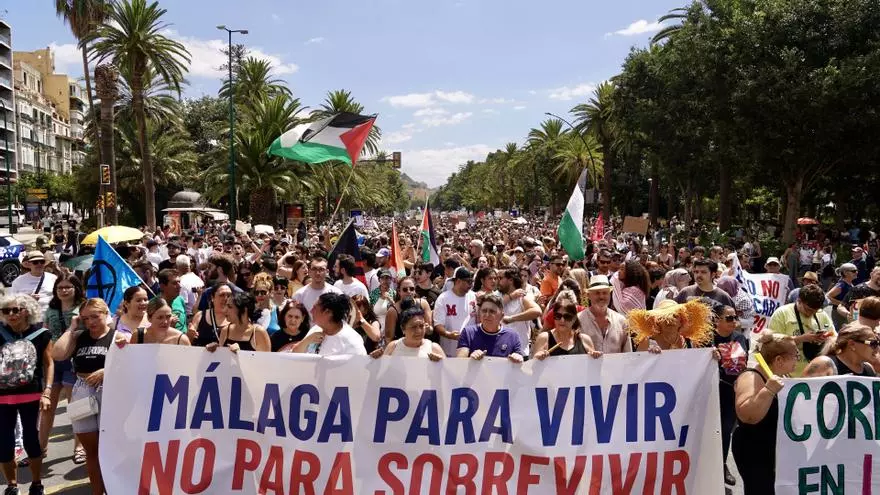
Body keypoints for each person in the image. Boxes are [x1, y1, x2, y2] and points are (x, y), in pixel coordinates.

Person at [52, 298, 115, 495]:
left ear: (106, 314)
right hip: (82, 390)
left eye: (95, 316)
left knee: (109, 449)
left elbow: (129, 363)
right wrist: (72, 327)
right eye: (85, 318)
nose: (91, 322)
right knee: (91, 451)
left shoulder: (117, 336)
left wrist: (106, 371)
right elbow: (57, 354)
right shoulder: (79, 336)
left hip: (110, 391)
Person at [732, 332, 798, 494]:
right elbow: (746, 415)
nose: (797, 359)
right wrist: (768, 390)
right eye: (795, 355)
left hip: (774, 449)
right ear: (779, 360)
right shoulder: (750, 376)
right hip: (754, 450)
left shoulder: (780, 376)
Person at [0, 295, 53, 495]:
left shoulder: (41, 334)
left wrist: (47, 391)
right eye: (6, 311)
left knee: (31, 440)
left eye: (16, 310)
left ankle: (36, 483)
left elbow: (49, 363)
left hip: (31, 395)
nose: (11, 314)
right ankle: (12, 485)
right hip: (2, 397)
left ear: (27, 310)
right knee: (4, 444)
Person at [40, 274, 85, 463]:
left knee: (75, 407)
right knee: (47, 406)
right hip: (52, 361)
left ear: (76, 289)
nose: (64, 290)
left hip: (74, 361)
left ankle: (79, 448)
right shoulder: (51, 309)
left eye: (68, 287)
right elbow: (45, 332)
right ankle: (40, 448)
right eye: (60, 287)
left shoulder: (83, 308)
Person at [712, 305, 750, 487]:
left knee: (726, 430)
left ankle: (722, 464)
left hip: (730, 392)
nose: (734, 321)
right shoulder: (706, 339)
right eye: (729, 318)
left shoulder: (739, 338)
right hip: (709, 392)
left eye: (735, 317)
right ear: (716, 320)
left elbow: (743, 363)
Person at [766, 284, 835, 361]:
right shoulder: (782, 313)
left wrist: (826, 338)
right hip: (788, 366)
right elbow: (772, 344)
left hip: (815, 366)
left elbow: (834, 337)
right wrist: (801, 339)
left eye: (815, 311)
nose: (811, 314)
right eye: (808, 310)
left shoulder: (821, 314)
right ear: (799, 301)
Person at [293, 293, 366, 356]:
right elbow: (294, 354)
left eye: (315, 308)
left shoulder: (352, 342)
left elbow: (359, 365)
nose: (311, 311)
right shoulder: (316, 329)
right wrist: (307, 341)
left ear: (327, 312)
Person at [456, 293, 524, 363]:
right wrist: (471, 358)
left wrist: (518, 358)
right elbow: (459, 362)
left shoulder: (512, 336)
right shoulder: (468, 333)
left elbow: (519, 359)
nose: (487, 314)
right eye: (484, 311)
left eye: (492, 311)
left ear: (502, 315)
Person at [629, 299, 714, 351]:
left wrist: (713, 356)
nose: (670, 320)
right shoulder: (648, 341)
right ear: (657, 322)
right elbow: (638, 366)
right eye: (664, 317)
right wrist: (649, 356)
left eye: (675, 316)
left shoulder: (690, 342)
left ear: (681, 321)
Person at [578, 275, 632, 354]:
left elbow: (628, 353)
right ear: (589, 295)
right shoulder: (579, 320)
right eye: (597, 293)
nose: (601, 296)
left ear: (609, 295)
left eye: (605, 293)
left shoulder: (621, 321)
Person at [532, 299, 601, 359]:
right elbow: (534, 366)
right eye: (558, 316)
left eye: (567, 317)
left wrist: (595, 356)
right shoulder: (544, 338)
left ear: (574, 319)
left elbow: (592, 366)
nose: (562, 320)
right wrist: (538, 358)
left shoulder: (585, 340)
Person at [802, 323, 878, 377]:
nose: (877, 348)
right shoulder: (824, 364)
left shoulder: (869, 369)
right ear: (852, 344)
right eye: (873, 343)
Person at [434, 267, 477, 356]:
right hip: (449, 351)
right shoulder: (443, 298)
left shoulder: (475, 297)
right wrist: (449, 334)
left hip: (470, 350)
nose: (471, 285)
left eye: (472, 282)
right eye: (468, 282)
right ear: (458, 281)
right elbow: (438, 325)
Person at [498, 268, 542, 354]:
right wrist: (510, 297)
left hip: (519, 351)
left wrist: (512, 318)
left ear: (510, 280)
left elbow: (537, 311)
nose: (497, 281)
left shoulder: (522, 297)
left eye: (500, 278)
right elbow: (492, 306)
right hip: (498, 350)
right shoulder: (496, 294)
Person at [374, 307, 444, 360]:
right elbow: (382, 371)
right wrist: (375, 359)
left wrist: (440, 363)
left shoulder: (434, 348)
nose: (418, 331)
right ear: (403, 329)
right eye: (413, 327)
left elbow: (448, 372)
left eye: (421, 326)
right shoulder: (393, 347)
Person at [120, 298, 191, 346]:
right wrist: (122, 347)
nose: (165, 322)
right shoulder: (138, 336)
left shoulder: (181, 340)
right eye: (160, 317)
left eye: (168, 317)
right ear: (149, 318)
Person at [10, 251, 57, 321]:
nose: (39, 264)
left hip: (51, 319)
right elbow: (12, 303)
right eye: (35, 262)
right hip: (30, 320)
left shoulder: (53, 278)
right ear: (29, 264)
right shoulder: (18, 281)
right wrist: (28, 300)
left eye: (42, 262)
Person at [383, 277, 433, 343]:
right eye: (405, 289)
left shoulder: (423, 304)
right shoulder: (393, 311)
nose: (409, 292)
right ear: (399, 291)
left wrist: (428, 329)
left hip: (421, 344)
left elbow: (430, 330)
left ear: (415, 290)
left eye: (411, 289)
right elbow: (389, 338)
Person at [187, 282, 233, 347]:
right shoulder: (200, 316)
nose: (226, 298)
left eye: (229, 295)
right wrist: (189, 335)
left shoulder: (237, 318)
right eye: (222, 295)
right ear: (212, 298)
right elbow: (189, 342)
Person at [156, 269, 187, 333]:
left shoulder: (180, 299)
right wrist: (169, 325)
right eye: (174, 283)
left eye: (179, 282)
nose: (179, 286)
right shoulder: (154, 304)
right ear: (162, 286)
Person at [369, 269, 396, 335]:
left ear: (391, 280)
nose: (385, 281)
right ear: (379, 280)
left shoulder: (394, 293)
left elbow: (397, 309)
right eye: (382, 278)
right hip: (377, 326)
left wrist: (389, 299)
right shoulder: (373, 294)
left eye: (387, 278)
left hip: (391, 326)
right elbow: (370, 310)